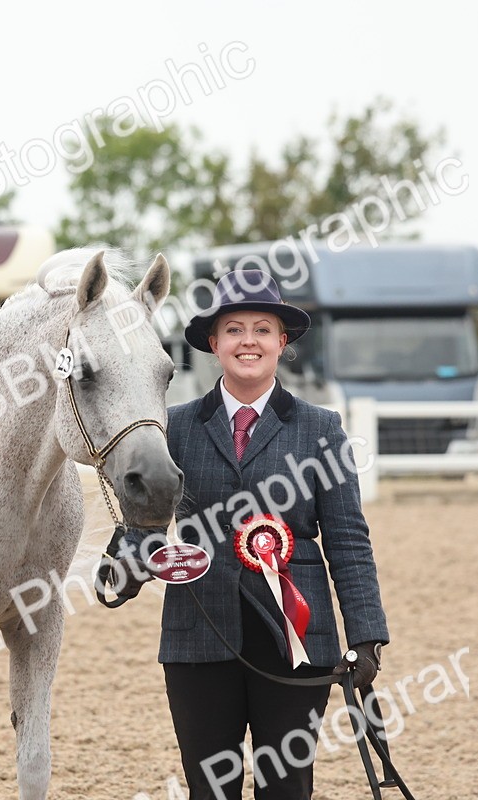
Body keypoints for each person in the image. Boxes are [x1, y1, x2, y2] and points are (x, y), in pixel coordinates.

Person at [116, 268, 389, 799]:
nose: (248, 341)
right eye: (234, 329)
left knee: (286, 787)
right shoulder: (173, 426)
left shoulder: (321, 429)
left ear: (281, 342)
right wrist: (128, 565)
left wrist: (365, 635)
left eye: (262, 329)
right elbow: (143, 525)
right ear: (214, 342)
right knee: (209, 789)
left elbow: (349, 539)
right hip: (198, 634)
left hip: (297, 641)